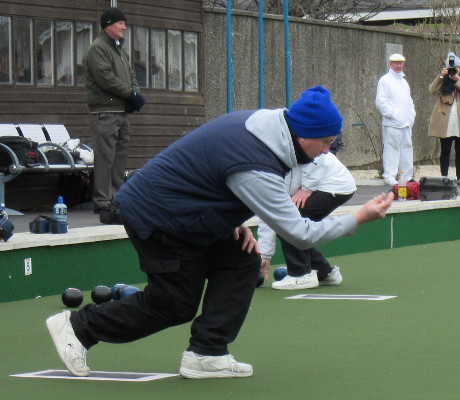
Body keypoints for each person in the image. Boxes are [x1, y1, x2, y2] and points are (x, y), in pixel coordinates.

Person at [44, 86, 393, 379]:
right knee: (174, 304)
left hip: (192, 211)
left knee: (242, 259)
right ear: (304, 136)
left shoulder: (268, 127)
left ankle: (207, 353)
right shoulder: (256, 161)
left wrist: (232, 219)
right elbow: (299, 233)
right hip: (159, 215)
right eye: (326, 142)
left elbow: (210, 173)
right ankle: (78, 327)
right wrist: (359, 217)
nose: (327, 151)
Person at [259, 151, 357, 290]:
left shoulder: (276, 155)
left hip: (333, 185)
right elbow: (269, 212)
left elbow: (317, 154)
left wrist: (307, 188)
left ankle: (301, 274)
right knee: (288, 223)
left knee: (289, 223)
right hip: (328, 184)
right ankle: (325, 273)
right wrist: (265, 256)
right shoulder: (266, 171)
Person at [84, 7, 144, 216]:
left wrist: (135, 93)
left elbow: (130, 74)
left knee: (119, 158)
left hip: (121, 111)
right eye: (121, 23)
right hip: (105, 112)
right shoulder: (98, 48)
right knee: (105, 158)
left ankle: (117, 198)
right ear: (109, 24)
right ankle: (102, 201)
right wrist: (130, 94)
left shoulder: (119, 50)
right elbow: (105, 78)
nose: (124, 27)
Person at [428, 52, 460, 186]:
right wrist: (441, 76)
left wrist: (457, 80)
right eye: (451, 68)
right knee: (445, 149)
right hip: (446, 121)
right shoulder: (442, 81)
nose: (454, 71)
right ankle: (444, 176)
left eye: (456, 68)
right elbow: (432, 90)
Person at [375, 53, 416, 187]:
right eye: (396, 63)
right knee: (391, 149)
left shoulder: (404, 82)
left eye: (400, 63)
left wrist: (411, 116)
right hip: (392, 124)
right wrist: (392, 114)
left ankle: (407, 176)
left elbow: (409, 102)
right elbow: (381, 101)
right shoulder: (385, 80)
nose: (398, 66)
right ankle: (389, 176)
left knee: (407, 149)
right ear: (390, 64)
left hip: (405, 123)